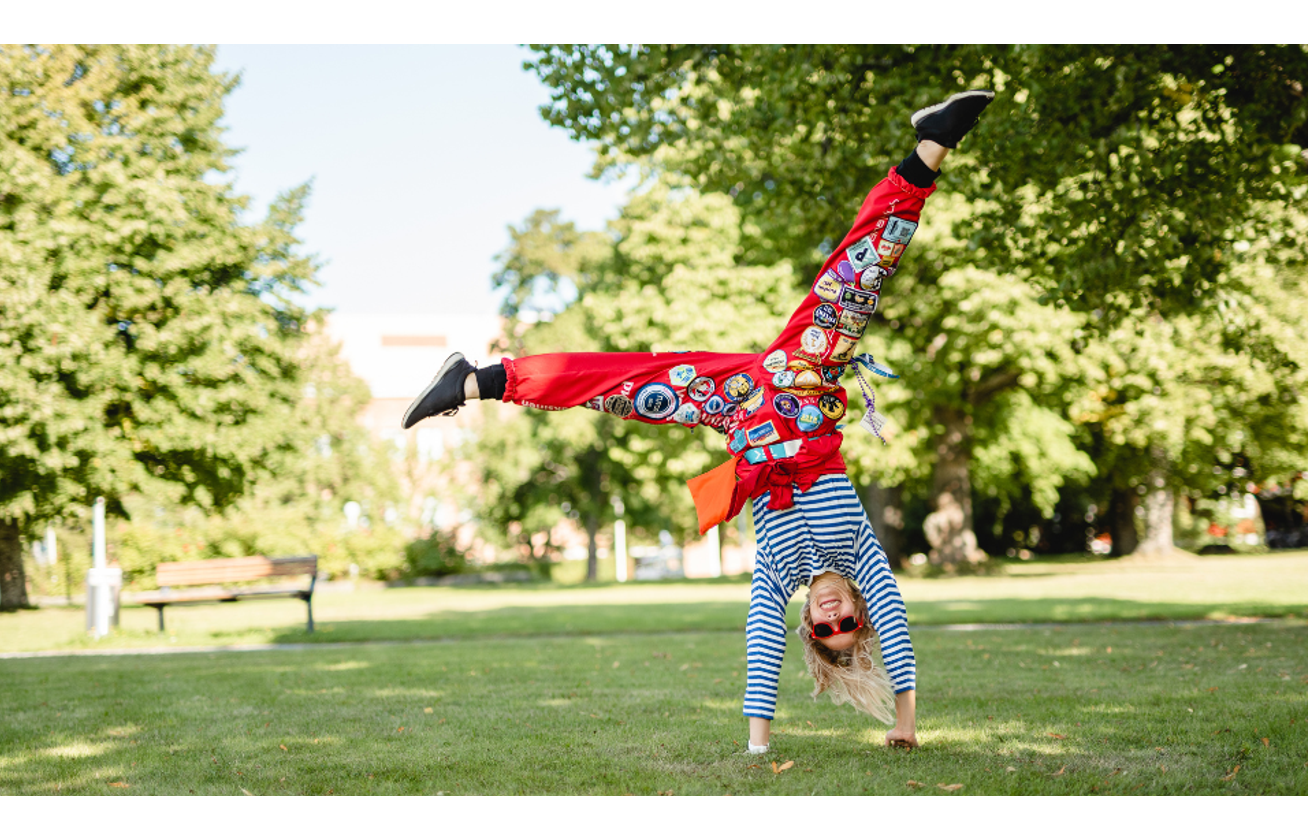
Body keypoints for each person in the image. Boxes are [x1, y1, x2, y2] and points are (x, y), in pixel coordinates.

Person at [402, 90, 995, 752]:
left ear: (810, 626)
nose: (833, 620)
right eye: (847, 625)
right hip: (805, 374)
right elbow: (901, 625)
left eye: (824, 632)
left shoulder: (777, 574)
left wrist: (758, 746)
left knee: (625, 385)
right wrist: (905, 724)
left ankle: (477, 381)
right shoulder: (860, 556)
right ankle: (930, 148)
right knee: (861, 274)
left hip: (738, 400)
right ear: (860, 611)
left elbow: (761, 649)